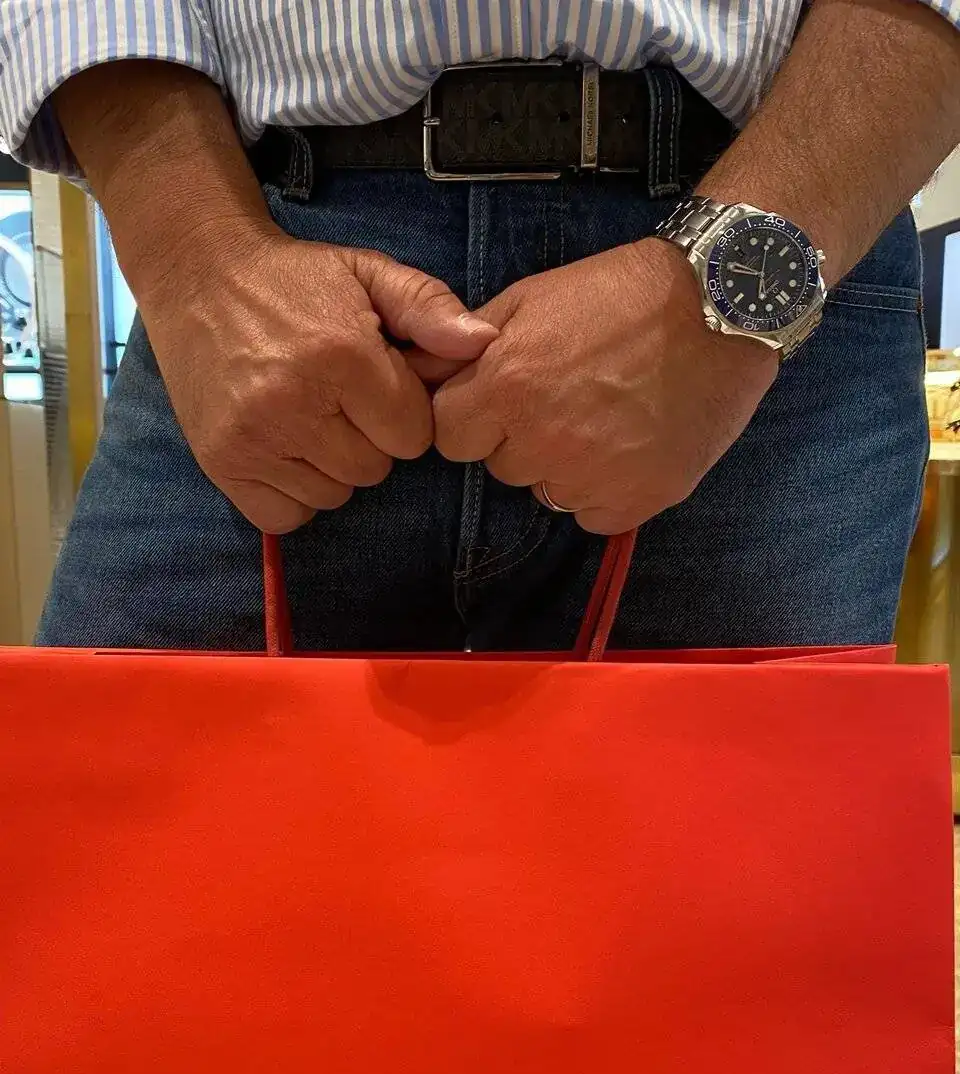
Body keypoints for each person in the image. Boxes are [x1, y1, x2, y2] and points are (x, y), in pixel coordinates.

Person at [1, 0, 959, 653]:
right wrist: (194, 256)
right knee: (139, 872)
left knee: (735, 889)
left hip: (767, 239)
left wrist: (717, 291)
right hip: (259, 272)